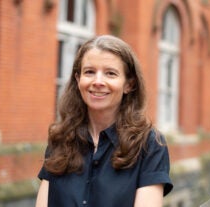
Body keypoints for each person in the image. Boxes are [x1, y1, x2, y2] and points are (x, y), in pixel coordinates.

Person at [35, 35, 173, 207]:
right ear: (78, 79)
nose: (98, 81)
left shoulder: (149, 145)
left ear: (129, 84)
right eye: (89, 72)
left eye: (110, 73)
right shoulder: (61, 138)